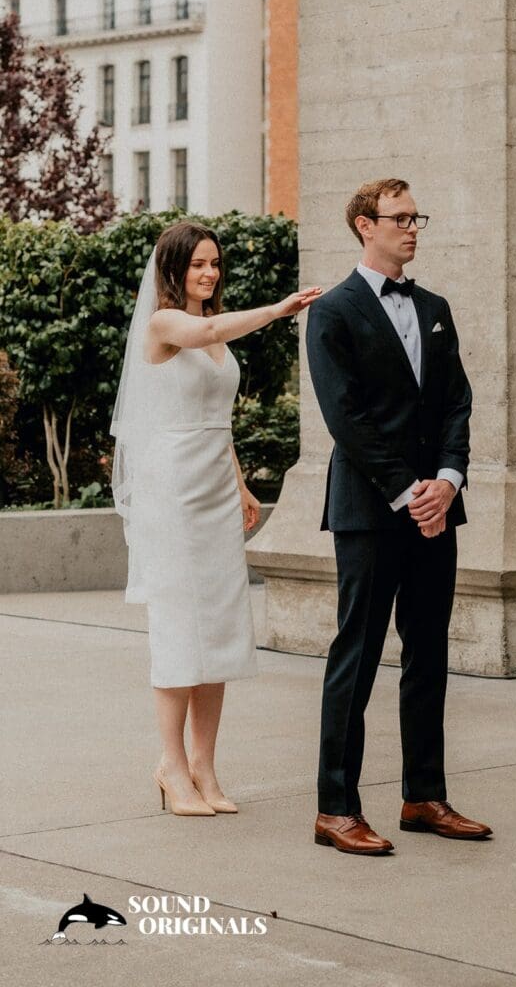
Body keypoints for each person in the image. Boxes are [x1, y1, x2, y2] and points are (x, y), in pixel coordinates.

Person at [306, 178, 492, 855]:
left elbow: (457, 404)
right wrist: (407, 490)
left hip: (436, 511)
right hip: (371, 510)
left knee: (429, 652)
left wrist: (446, 481)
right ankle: (334, 807)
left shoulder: (436, 308)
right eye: (399, 218)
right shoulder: (333, 311)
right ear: (364, 224)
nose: (411, 228)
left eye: (417, 218)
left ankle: (424, 795)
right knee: (355, 657)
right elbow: (344, 416)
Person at [111, 220, 321, 817]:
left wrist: (241, 483)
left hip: (214, 488)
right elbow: (204, 329)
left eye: (215, 264)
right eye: (199, 264)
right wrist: (278, 310)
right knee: (181, 627)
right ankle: (170, 766)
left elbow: (213, 416)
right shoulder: (166, 324)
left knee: (222, 626)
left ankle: (204, 763)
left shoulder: (213, 336)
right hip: (172, 492)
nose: (210, 273)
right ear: (173, 270)